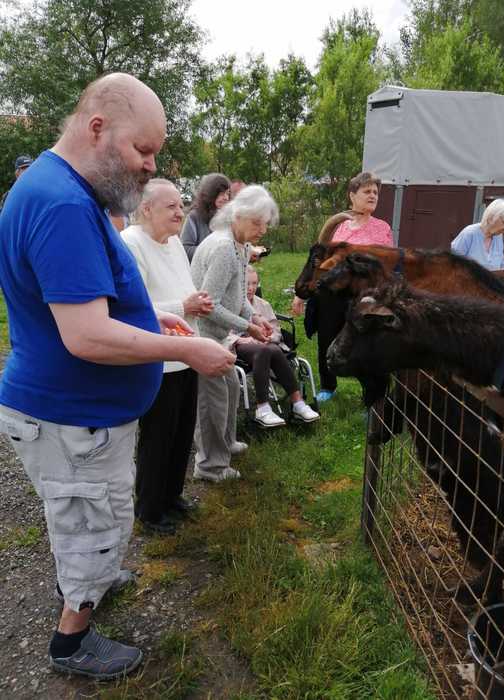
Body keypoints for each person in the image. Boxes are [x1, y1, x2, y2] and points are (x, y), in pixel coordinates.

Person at [0, 73, 234, 681]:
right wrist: (187, 351)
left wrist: (150, 317)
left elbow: (80, 303)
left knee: (86, 517)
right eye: (142, 149)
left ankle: (92, 579)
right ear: (97, 128)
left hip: (77, 413)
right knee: (91, 524)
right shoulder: (62, 204)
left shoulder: (61, 188)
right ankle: (72, 640)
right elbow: (86, 335)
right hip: (71, 416)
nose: (150, 165)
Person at [122, 178, 215, 534]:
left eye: (181, 205)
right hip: (157, 357)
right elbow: (132, 307)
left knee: (181, 431)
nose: (181, 212)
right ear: (146, 209)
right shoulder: (131, 243)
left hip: (185, 350)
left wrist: (197, 302)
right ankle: (149, 509)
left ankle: (172, 495)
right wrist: (182, 306)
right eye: (172, 206)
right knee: (158, 435)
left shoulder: (174, 243)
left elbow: (185, 288)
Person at [191, 184, 278, 481]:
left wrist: (255, 315)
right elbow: (208, 305)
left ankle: (226, 443)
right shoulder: (224, 249)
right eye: (257, 222)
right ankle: (210, 466)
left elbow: (238, 296)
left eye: (265, 223)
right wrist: (248, 326)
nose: (262, 230)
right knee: (212, 401)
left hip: (219, 335)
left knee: (229, 387)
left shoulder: (241, 247)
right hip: (202, 335)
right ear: (237, 215)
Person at [292, 171, 394, 402]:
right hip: (333, 294)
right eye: (367, 191)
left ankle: (371, 393)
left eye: (375, 192)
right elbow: (321, 261)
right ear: (352, 195)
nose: (373, 195)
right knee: (326, 337)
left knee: (367, 344)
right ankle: (328, 386)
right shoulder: (339, 227)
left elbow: (387, 264)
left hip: (364, 294)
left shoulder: (382, 228)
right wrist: (301, 296)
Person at [229, 266, 319, 427]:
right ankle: (279, 405)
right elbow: (222, 332)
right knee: (268, 349)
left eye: (254, 283)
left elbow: (276, 332)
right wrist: (239, 340)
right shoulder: (230, 304)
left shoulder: (263, 304)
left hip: (265, 346)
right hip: (239, 346)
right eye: (247, 284)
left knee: (270, 348)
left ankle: (290, 405)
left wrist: (270, 337)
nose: (251, 288)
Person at [451, 198, 504, 271]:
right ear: (491, 218)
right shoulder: (469, 233)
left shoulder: (498, 236)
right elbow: (453, 265)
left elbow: (501, 265)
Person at [180, 172, 230, 261]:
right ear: (210, 193)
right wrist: (214, 252)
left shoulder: (228, 217)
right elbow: (185, 250)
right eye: (222, 193)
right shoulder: (194, 217)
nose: (226, 197)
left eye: (227, 193)